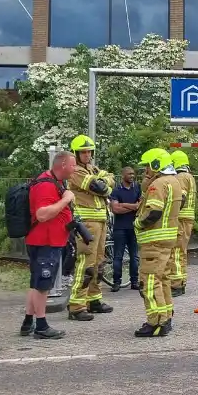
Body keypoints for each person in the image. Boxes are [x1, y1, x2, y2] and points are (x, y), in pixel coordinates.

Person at [21, 150, 78, 340]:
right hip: (45, 241)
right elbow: (42, 214)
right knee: (43, 286)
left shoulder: (54, 182)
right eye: (73, 164)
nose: (75, 168)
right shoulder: (46, 185)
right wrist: (66, 200)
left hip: (46, 240)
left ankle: (28, 322)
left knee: (35, 283)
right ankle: (41, 326)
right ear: (62, 165)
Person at [66, 135, 116, 321]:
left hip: (100, 221)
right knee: (86, 264)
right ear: (76, 154)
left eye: (89, 152)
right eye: (83, 152)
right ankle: (77, 305)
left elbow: (111, 179)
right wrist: (103, 182)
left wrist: (104, 181)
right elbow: (100, 187)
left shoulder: (91, 169)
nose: (87, 155)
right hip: (86, 222)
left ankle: (94, 299)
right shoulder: (76, 171)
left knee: (99, 262)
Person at [134, 148, 182, 338]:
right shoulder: (175, 182)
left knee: (150, 281)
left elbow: (153, 212)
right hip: (168, 239)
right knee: (163, 279)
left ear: (156, 164)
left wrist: (138, 223)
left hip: (154, 240)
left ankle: (155, 322)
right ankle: (167, 316)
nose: (146, 170)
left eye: (147, 166)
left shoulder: (158, 184)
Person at [166, 150, 196, 297]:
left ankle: (176, 284)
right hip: (187, 219)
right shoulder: (189, 176)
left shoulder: (181, 177)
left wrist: (171, 213)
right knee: (181, 252)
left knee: (176, 252)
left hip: (181, 219)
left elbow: (181, 198)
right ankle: (181, 281)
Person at [108, 165, 142, 292]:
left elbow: (140, 206)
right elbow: (115, 209)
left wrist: (124, 205)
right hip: (120, 228)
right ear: (123, 176)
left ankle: (134, 281)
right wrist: (133, 206)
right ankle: (116, 282)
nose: (132, 176)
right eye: (129, 174)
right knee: (118, 257)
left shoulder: (137, 188)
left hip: (133, 227)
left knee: (134, 256)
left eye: (133, 174)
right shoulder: (116, 191)